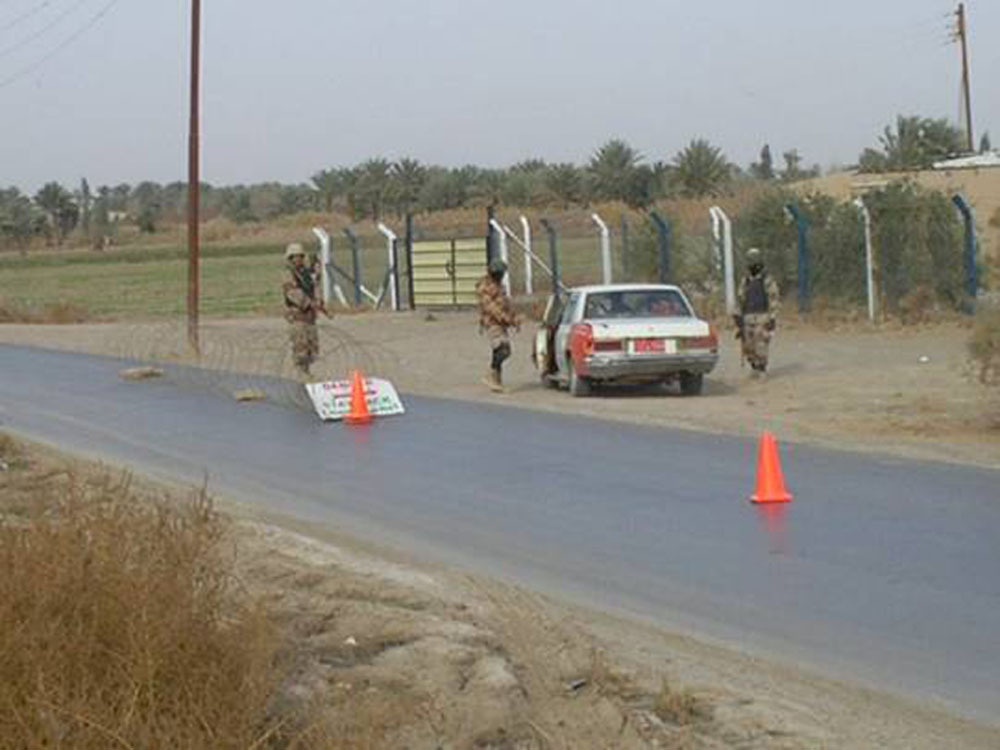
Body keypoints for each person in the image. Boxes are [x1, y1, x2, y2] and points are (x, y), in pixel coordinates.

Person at [282, 242, 325, 379]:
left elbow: (314, 287)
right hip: (298, 316)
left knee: (311, 347)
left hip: (309, 317)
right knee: (300, 347)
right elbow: (293, 293)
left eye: (300, 256)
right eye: (295, 257)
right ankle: (301, 374)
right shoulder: (288, 274)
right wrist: (309, 303)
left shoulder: (305, 274)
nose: (298, 259)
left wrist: (317, 277)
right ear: (290, 258)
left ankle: (307, 372)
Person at [476, 257, 519, 393]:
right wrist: (508, 319)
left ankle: (496, 381)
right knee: (503, 349)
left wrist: (513, 317)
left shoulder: (500, 286)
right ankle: (491, 374)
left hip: (501, 324)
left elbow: (505, 304)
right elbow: (491, 308)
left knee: (500, 350)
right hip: (492, 323)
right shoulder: (485, 287)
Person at [735, 247, 780, 375]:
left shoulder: (767, 279)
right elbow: (740, 298)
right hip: (747, 316)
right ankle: (754, 365)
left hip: (763, 316)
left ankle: (761, 368)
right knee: (748, 345)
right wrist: (737, 317)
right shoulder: (746, 280)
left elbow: (773, 298)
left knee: (761, 343)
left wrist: (772, 317)